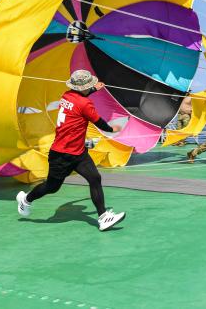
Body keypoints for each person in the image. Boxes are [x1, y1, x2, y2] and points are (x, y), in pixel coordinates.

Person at [15, 70, 126, 232]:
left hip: (78, 153)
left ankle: (103, 217)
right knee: (52, 187)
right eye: (89, 86)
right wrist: (111, 128)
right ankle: (25, 199)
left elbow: (80, 101)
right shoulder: (85, 104)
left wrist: (94, 89)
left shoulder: (67, 95)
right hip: (62, 155)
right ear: (83, 88)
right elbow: (99, 122)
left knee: (95, 178)